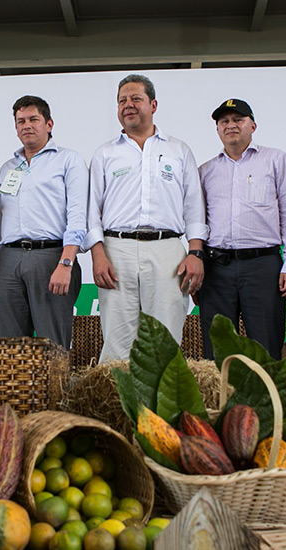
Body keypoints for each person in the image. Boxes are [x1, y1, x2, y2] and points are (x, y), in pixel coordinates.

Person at [87, 75, 207, 361]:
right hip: (116, 250)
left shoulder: (178, 150)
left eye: (135, 99)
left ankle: (164, 393)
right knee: (117, 342)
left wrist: (195, 253)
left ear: (153, 105)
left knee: (165, 340)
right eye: (122, 101)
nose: (128, 105)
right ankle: (116, 392)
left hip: (168, 251)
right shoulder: (105, 154)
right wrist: (98, 255)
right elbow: (92, 211)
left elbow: (194, 206)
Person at [196, 98, 286, 360]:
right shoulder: (205, 171)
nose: (230, 125)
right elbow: (196, 222)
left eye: (238, 120)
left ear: (252, 125)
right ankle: (222, 390)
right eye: (224, 121)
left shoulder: (276, 160)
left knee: (266, 349)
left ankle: (266, 390)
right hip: (216, 268)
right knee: (217, 351)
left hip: (262, 266)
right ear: (217, 129)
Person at [0, 95, 88, 349]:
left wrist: (66, 263)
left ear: (49, 124)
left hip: (51, 256)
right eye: (20, 121)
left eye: (33, 119)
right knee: (9, 347)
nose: (27, 125)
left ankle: (56, 380)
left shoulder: (69, 160)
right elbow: (2, 222)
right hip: (8, 259)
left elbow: (78, 215)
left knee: (52, 345)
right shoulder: (7, 168)